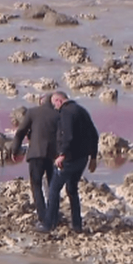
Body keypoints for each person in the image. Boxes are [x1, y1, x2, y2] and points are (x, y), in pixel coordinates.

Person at [37, 91, 99, 233]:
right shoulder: (81, 110)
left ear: (59, 101)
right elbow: (94, 135)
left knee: (53, 189)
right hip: (82, 159)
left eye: (55, 105)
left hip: (69, 159)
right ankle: (77, 225)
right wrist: (93, 157)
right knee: (72, 190)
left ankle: (48, 225)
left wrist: (62, 155)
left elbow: (68, 136)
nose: (55, 109)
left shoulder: (66, 113)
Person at [9, 94, 59, 223]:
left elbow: (20, 132)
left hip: (36, 154)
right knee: (52, 185)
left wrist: (15, 150)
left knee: (36, 185)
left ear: (41, 101)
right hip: (52, 155)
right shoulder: (57, 115)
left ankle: (43, 217)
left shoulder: (32, 112)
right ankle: (53, 214)